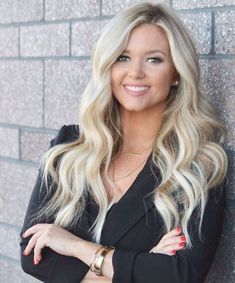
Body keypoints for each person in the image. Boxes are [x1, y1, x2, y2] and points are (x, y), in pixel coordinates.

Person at [20, 2, 228, 283]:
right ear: (107, 66)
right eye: (122, 57)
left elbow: (181, 275)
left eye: (154, 59)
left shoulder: (199, 164)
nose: (136, 72)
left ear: (177, 73)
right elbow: (33, 255)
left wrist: (75, 246)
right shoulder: (69, 149)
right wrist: (139, 267)